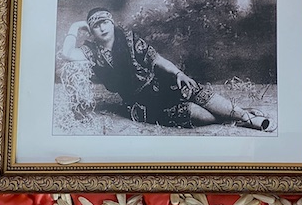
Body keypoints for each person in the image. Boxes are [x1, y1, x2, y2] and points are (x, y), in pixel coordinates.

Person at [60, 7, 273, 131]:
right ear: (91, 31)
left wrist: (179, 74)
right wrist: (74, 27)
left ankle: (247, 119)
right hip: (141, 104)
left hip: (162, 85)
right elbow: (67, 53)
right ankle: (238, 114)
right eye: (96, 26)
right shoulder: (92, 52)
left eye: (105, 22)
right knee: (196, 114)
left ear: (111, 22)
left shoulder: (130, 40)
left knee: (194, 90)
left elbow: (158, 60)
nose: (102, 27)